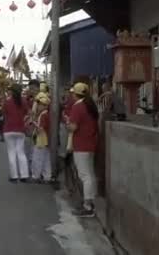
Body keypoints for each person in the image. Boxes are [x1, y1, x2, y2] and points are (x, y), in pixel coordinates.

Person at [66, 82, 99, 218]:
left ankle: (88, 206)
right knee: (89, 174)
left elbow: (73, 127)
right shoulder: (90, 105)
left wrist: (67, 123)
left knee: (85, 176)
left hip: (81, 145)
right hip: (90, 143)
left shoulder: (78, 107)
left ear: (75, 94)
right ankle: (90, 201)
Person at [3, 84, 30, 183]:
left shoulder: (7, 102)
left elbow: (4, 114)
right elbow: (28, 114)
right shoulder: (24, 102)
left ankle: (14, 176)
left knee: (11, 153)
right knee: (21, 153)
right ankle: (24, 175)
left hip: (9, 129)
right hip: (20, 129)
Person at [31, 93, 52, 183]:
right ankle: (47, 176)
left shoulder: (43, 115)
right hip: (46, 139)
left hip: (41, 139)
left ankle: (36, 176)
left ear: (45, 106)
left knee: (37, 158)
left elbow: (40, 129)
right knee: (46, 159)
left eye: (40, 104)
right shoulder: (46, 114)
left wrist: (33, 123)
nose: (38, 106)